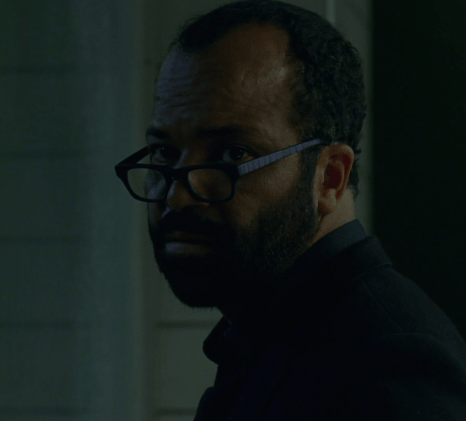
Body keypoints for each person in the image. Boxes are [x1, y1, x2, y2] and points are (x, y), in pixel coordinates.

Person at [114, 0, 466, 419]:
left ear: (330, 177)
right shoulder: (271, 333)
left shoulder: (390, 364)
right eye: (165, 152)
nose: (177, 196)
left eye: (232, 153)